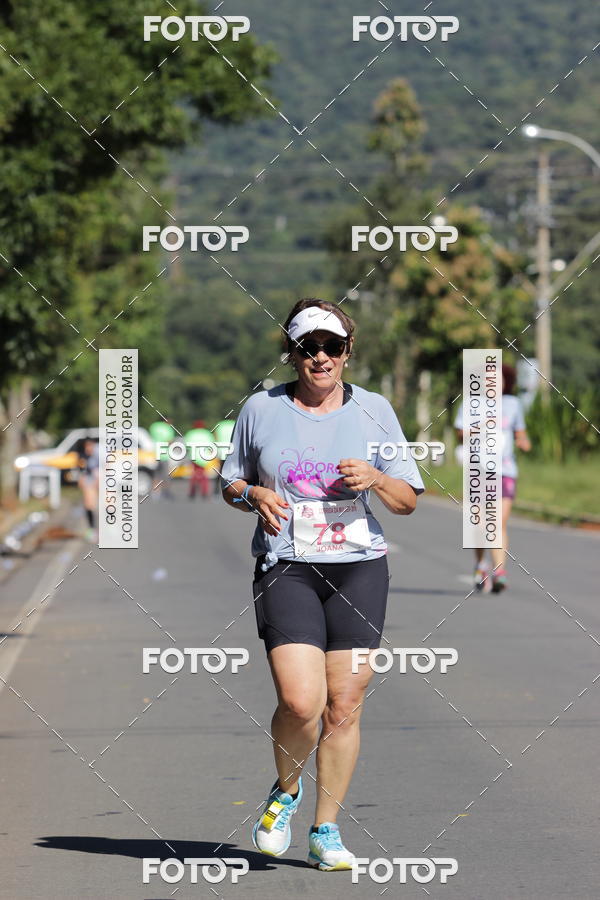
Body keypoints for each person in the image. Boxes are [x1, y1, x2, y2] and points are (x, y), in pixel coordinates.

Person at [221, 298, 424, 871]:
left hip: (359, 567)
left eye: (332, 347)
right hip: (287, 564)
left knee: (345, 705)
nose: (320, 357)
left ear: (347, 352)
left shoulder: (376, 410)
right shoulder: (261, 408)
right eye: (308, 346)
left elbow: (407, 499)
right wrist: (255, 495)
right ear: (292, 352)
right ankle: (285, 792)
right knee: (300, 700)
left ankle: (326, 829)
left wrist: (378, 477)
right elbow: (229, 482)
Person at [454, 363, 531, 593]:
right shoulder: (469, 405)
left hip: (505, 470)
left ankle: (499, 571)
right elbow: (459, 434)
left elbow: (520, 432)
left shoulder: (513, 404)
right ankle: (480, 564)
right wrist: (479, 429)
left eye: (498, 380)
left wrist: (523, 442)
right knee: (479, 525)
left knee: (498, 522)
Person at [77, 437, 99, 541]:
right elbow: (82, 473)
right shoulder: (82, 457)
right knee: (89, 505)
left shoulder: (97, 456)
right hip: (89, 483)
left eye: (92, 445)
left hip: (99, 481)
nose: (91, 448)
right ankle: (92, 530)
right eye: (89, 446)